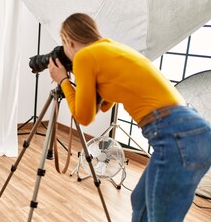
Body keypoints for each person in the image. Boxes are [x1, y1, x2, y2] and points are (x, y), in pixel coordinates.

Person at [48, 13, 211, 222]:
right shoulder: (114, 49)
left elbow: (84, 117)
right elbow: (106, 104)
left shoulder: (84, 57)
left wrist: (62, 80)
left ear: (68, 41)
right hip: (194, 131)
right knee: (140, 201)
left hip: (175, 136)